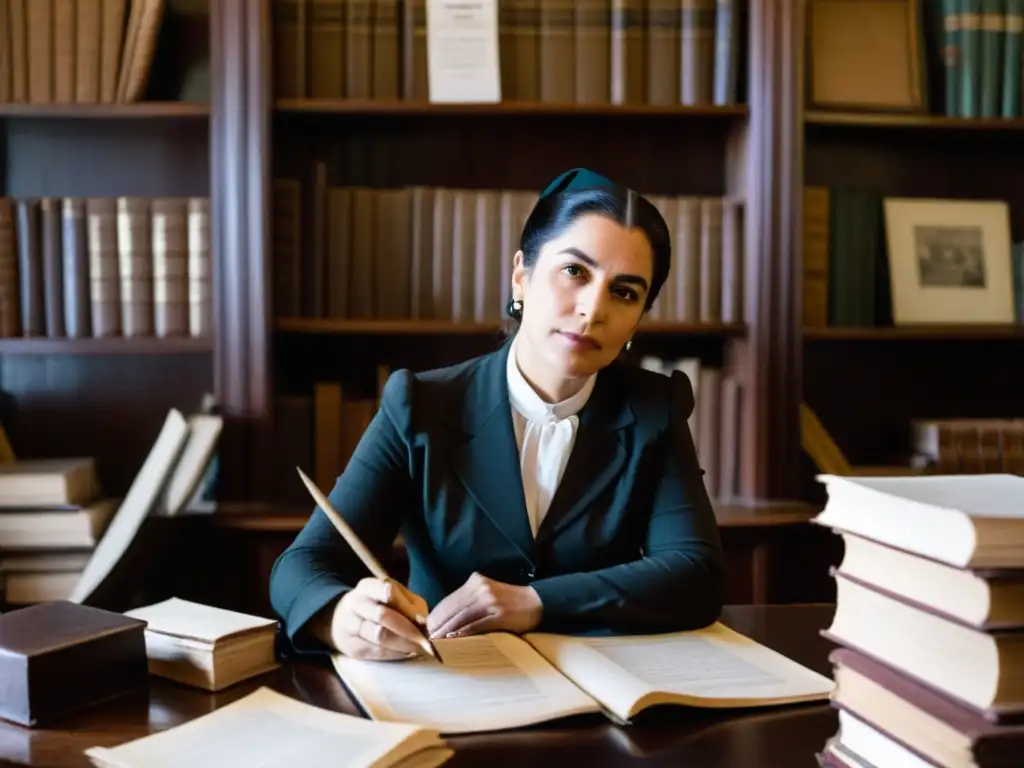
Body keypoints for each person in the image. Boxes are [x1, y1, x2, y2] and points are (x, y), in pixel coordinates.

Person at [269, 168, 725, 662]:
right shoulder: (420, 404)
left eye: (625, 292)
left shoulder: (655, 409)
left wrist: (534, 602)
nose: (593, 310)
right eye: (574, 272)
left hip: (602, 700)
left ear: (639, 318)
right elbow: (304, 565)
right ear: (521, 276)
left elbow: (696, 573)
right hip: (452, 684)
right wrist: (340, 618)